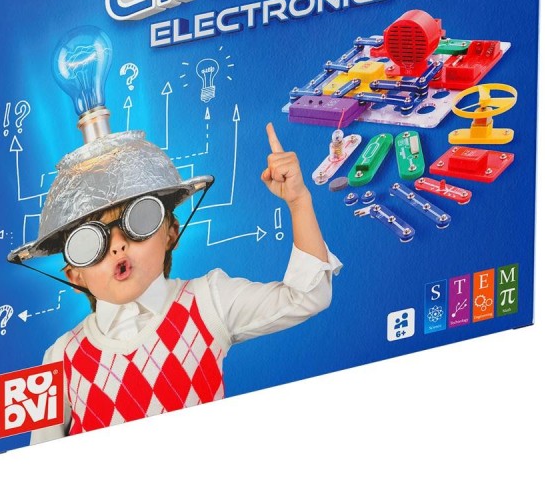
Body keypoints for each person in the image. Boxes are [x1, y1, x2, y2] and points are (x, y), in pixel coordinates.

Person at [28, 122, 341, 442]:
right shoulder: (58, 358)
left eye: (139, 220)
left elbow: (307, 297)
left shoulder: (209, 301)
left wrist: (299, 201)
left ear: (170, 233)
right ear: (74, 275)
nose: (118, 245)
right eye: (89, 242)